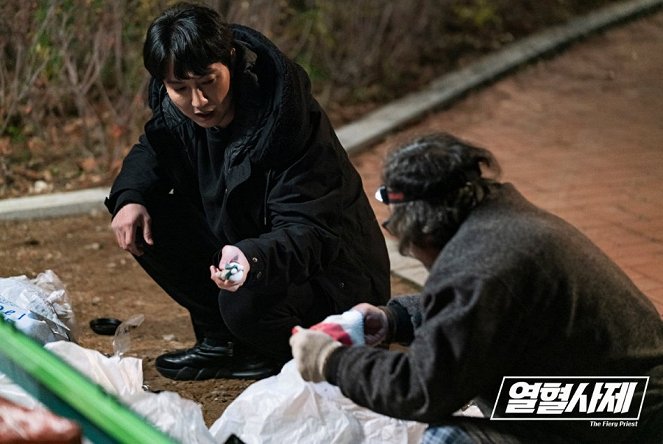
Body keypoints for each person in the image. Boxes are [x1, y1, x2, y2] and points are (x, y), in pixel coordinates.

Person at [290, 132, 663, 443]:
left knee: (447, 436)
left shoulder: (482, 264)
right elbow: (479, 308)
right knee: (476, 390)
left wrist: (331, 361)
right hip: (623, 396)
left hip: (622, 411)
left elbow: (421, 390)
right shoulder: (499, 221)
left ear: (424, 228)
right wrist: (396, 319)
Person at [105, 2, 390, 381]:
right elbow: (152, 149)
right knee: (146, 212)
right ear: (163, 83)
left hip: (333, 276)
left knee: (244, 301)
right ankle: (223, 343)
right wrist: (129, 198)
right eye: (180, 88)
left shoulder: (286, 122)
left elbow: (312, 232)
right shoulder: (178, 112)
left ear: (232, 59)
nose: (198, 102)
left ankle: (278, 351)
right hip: (249, 247)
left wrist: (251, 257)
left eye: (208, 81)